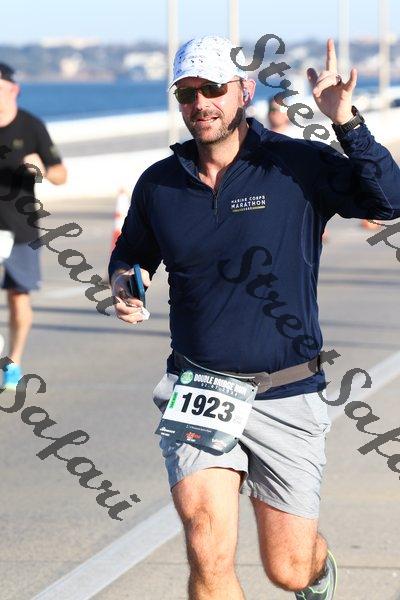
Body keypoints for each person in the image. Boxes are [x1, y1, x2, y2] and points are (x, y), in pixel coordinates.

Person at [108, 36, 400, 600]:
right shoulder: (159, 183)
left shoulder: (296, 165)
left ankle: (315, 568)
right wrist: (124, 282)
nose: (200, 103)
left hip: (287, 391)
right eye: (186, 93)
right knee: (206, 544)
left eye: (213, 89)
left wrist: (346, 122)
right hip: (199, 388)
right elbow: (131, 254)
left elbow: (390, 200)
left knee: (287, 569)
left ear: (243, 92)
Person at [0, 63, 67, 388]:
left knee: (18, 298)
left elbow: (61, 175)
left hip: (21, 228)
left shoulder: (31, 126)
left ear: (14, 90)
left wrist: (40, 168)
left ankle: (13, 361)